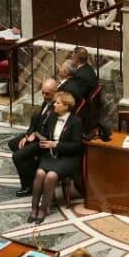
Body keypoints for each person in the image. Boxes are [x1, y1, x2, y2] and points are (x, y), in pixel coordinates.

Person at [29, 90, 84, 225]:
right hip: (52, 154)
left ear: (66, 106)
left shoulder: (76, 122)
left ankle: (43, 210)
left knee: (51, 176)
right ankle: (33, 209)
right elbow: (47, 134)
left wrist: (56, 144)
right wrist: (41, 139)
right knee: (40, 173)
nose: (54, 105)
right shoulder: (52, 117)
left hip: (68, 157)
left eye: (57, 103)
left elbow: (77, 146)